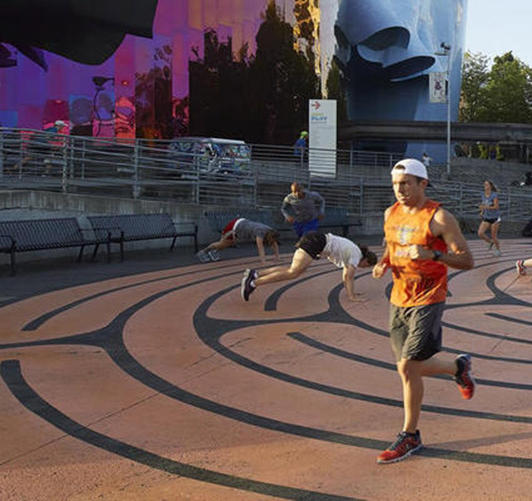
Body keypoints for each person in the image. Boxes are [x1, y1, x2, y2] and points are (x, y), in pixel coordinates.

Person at [370, 157, 475, 464]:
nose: (399, 190)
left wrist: (432, 254)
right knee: (409, 369)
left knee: (407, 368)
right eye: (395, 184)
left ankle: (410, 435)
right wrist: (383, 262)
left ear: (422, 184)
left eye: (405, 184)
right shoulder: (390, 213)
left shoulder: (440, 218)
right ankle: (458, 368)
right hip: (399, 298)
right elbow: (391, 245)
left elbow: (467, 260)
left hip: (429, 296)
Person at [240, 230, 377, 302]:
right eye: (365, 267)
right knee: (293, 273)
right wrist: (352, 297)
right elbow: (349, 276)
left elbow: (345, 275)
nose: (362, 268)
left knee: (293, 270)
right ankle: (252, 283)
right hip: (316, 242)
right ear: (366, 261)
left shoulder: (353, 251)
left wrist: (350, 293)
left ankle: (255, 274)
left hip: (316, 240)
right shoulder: (356, 255)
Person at [197, 217, 280, 263]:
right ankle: (203, 252)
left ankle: (214, 252)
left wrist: (277, 257)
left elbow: (274, 243)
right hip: (234, 227)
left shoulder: (270, 231)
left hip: (241, 224)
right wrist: (263, 261)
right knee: (222, 243)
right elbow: (260, 248)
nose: (272, 243)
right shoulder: (260, 233)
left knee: (229, 243)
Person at [475, 179, 502, 253]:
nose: (485, 186)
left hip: (495, 218)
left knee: (493, 236)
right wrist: (482, 211)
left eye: (486, 184)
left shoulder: (494, 195)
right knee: (480, 233)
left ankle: (498, 250)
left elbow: (496, 207)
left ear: (490, 186)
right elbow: (484, 204)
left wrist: (486, 207)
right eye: (484, 184)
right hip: (487, 217)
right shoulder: (483, 194)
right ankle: (490, 243)